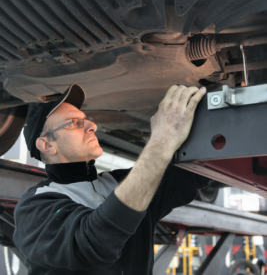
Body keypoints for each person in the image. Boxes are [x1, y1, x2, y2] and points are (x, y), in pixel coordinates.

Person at [14, 83, 209, 275]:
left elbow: (195, 171)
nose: (92, 125)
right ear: (47, 146)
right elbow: (94, 243)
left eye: (87, 119)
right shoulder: (35, 208)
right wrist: (161, 140)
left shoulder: (121, 183)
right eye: (74, 123)